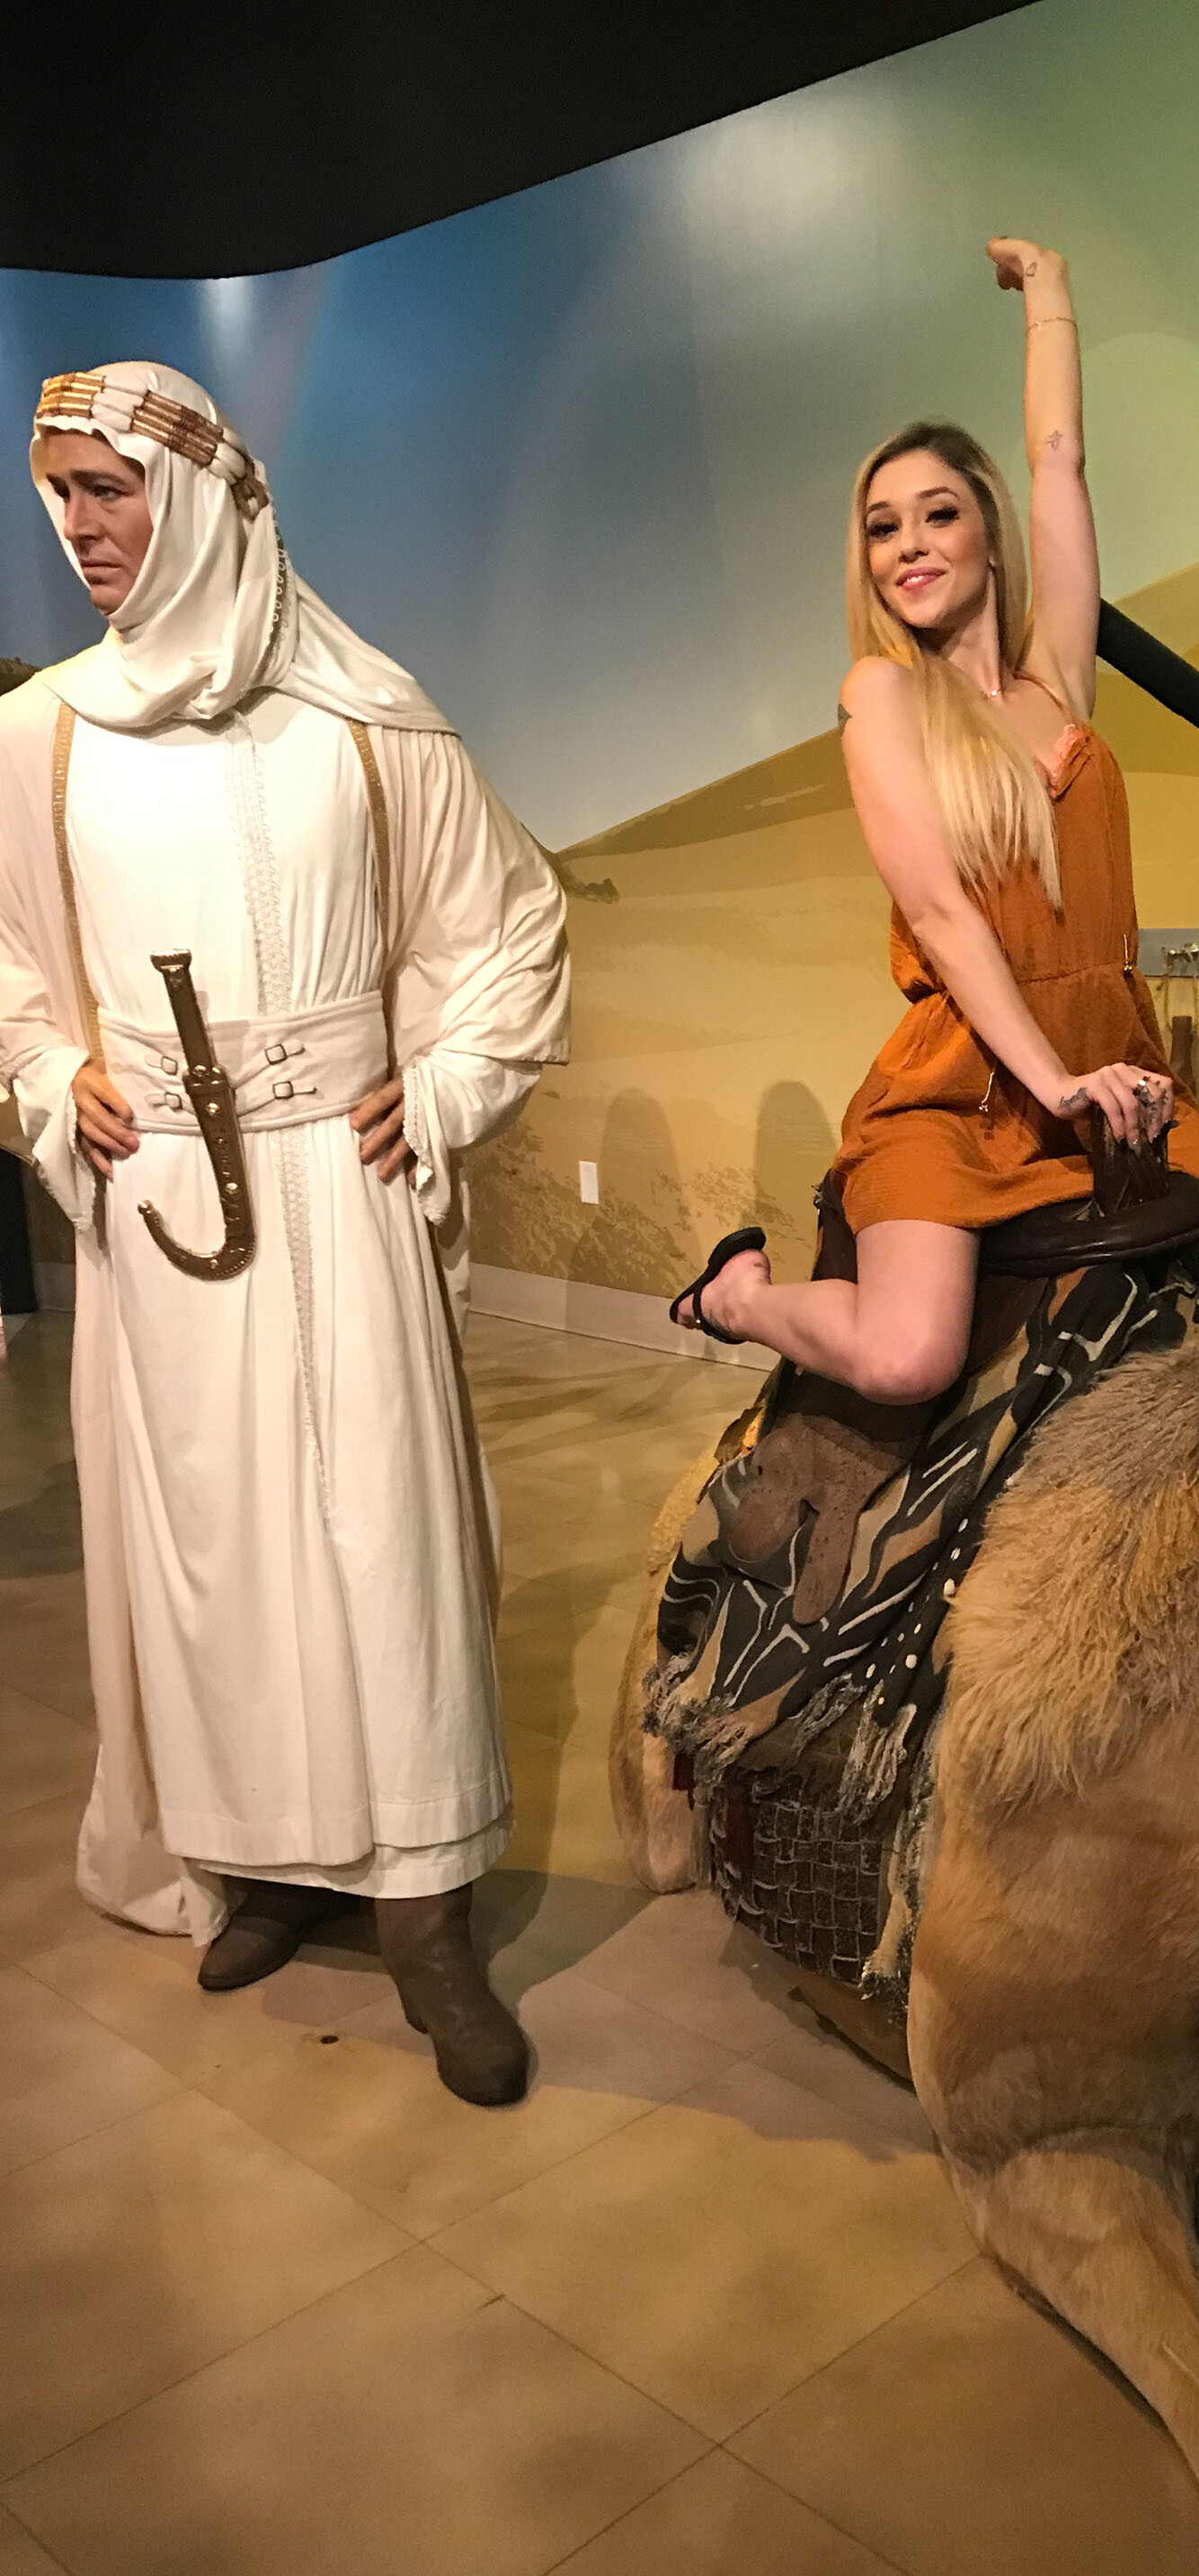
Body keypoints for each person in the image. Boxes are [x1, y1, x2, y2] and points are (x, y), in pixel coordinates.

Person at [0, 362, 569, 2105]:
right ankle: (259, 1864)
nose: (82, 527)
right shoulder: (45, 736)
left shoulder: (363, 719)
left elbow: (511, 925)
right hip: (166, 1214)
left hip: (341, 1184)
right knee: (219, 1552)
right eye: (60, 493)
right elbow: (6, 964)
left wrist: (446, 1085)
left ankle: (423, 1912)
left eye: (110, 488)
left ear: (202, 497)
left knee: (379, 1541)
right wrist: (54, 1077)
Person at [672, 239, 1199, 1393]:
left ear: (987, 532)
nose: (908, 546)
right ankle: (738, 1296)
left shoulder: (1058, 682)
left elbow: (1057, 459)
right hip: (965, 1086)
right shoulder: (881, 694)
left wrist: (1048, 293)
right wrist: (1052, 1085)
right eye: (881, 528)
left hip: (1110, 1066)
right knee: (906, 1357)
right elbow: (941, 913)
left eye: (936, 514)